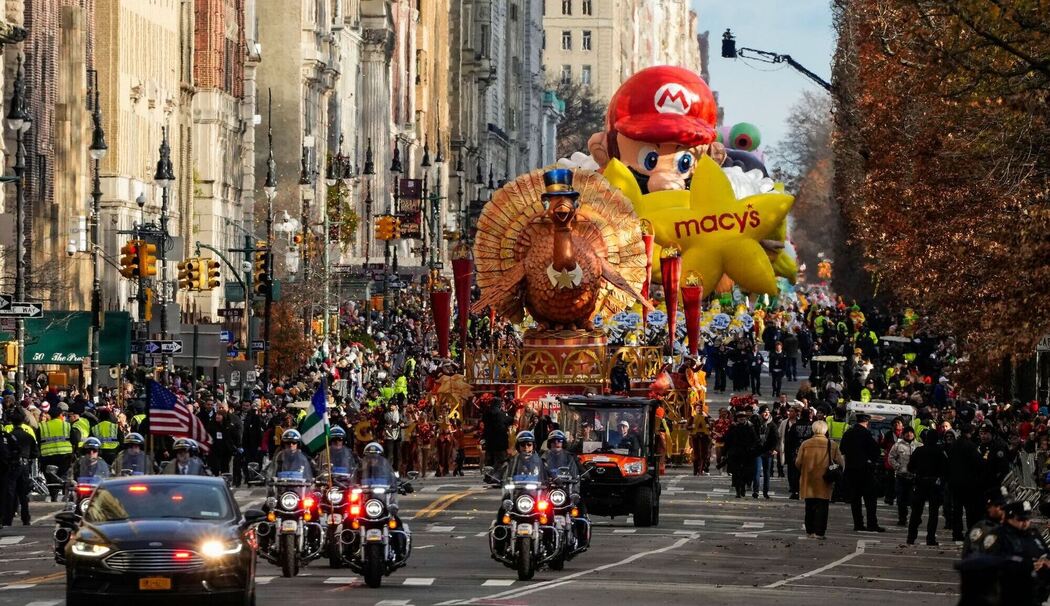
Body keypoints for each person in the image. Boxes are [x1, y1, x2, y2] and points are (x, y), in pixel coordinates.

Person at [987, 501, 1050, 606]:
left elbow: (1044, 553)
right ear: (1010, 518)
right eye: (1021, 519)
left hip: (1034, 591)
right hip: (1009, 591)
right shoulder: (999, 536)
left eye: (1027, 519)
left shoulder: (1033, 534)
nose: (1025, 523)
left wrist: (1045, 562)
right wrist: (1027, 565)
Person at [795, 420, 843, 539]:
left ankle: (809, 531)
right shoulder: (832, 444)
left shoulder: (805, 444)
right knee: (823, 507)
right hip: (825, 479)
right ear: (826, 430)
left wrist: (804, 469)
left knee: (809, 506)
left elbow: (798, 462)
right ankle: (820, 532)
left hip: (808, 479)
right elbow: (840, 462)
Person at [840, 413, 885, 532]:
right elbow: (875, 451)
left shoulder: (848, 433)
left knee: (855, 499)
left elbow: (842, 449)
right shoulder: (866, 434)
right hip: (865, 470)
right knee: (870, 499)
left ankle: (858, 523)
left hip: (851, 470)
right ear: (867, 422)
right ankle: (872, 523)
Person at [907, 429, 948, 545]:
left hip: (920, 482)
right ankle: (930, 538)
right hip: (934, 484)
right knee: (933, 513)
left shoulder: (919, 450)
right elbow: (945, 469)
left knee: (916, 512)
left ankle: (911, 537)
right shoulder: (940, 451)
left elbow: (910, 467)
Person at [38, 403, 77, 501]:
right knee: (64, 476)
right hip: (65, 456)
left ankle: (53, 496)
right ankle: (65, 494)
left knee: (50, 477)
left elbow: (38, 441)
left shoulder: (42, 426)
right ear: (60, 415)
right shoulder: (67, 426)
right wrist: (73, 453)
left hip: (47, 456)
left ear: (49, 416)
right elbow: (75, 441)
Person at [723, 411, 759, 498]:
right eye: (739, 418)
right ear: (737, 419)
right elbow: (727, 441)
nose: (741, 419)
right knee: (736, 473)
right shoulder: (733, 427)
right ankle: (738, 491)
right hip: (735, 454)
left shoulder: (750, 427)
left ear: (746, 418)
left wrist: (753, 450)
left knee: (747, 473)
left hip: (747, 454)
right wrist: (724, 453)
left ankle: (743, 487)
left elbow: (755, 440)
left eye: (743, 417)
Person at [888, 425, 918, 526]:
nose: (909, 434)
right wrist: (898, 467)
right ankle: (902, 518)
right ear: (903, 434)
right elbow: (891, 458)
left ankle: (915, 518)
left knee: (914, 500)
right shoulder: (897, 445)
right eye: (907, 432)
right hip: (901, 477)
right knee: (901, 500)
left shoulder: (919, 446)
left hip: (914, 477)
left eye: (911, 432)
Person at [753, 405, 779, 499]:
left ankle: (765, 492)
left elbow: (776, 438)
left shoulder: (772, 424)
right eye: (764, 411)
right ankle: (755, 491)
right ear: (760, 413)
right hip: (758, 451)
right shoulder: (756, 423)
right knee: (757, 471)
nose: (766, 413)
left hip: (768, 452)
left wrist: (773, 449)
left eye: (768, 411)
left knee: (767, 472)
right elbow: (753, 436)